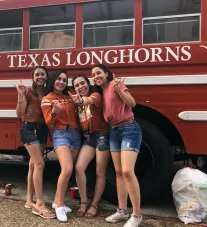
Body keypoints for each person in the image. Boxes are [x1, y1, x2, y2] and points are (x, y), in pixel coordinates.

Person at [91, 64, 143, 227]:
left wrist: (120, 90)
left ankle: (137, 215)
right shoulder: (102, 91)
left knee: (127, 171)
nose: (96, 76)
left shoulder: (115, 85)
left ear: (107, 74)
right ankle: (122, 211)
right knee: (119, 172)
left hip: (128, 129)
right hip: (114, 132)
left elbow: (132, 103)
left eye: (99, 72)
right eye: (93, 74)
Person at [14, 66, 55, 219]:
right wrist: (20, 96)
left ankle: (29, 200)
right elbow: (19, 113)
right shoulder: (27, 91)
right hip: (29, 129)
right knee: (39, 164)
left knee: (33, 164)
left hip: (42, 129)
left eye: (42, 74)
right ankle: (39, 203)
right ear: (32, 77)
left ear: (46, 76)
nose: (40, 77)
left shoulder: (48, 92)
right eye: (37, 74)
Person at [41, 69, 81, 222]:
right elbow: (48, 122)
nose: (61, 82)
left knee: (68, 170)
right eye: (59, 79)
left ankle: (56, 201)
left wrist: (78, 103)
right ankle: (59, 205)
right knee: (67, 168)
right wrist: (54, 112)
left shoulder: (69, 96)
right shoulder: (47, 98)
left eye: (64, 80)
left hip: (76, 135)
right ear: (53, 80)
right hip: (61, 134)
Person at [69, 74, 110, 218]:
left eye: (82, 83)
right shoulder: (77, 104)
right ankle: (84, 201)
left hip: (102, 137)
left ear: (88, 83)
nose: (80, 87)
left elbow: (90, 100)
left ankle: (94, 205)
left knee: (100, 171)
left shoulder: (96, 95)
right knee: (79, 168)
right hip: (88, 138)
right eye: (77, 85)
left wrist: (82, 100)